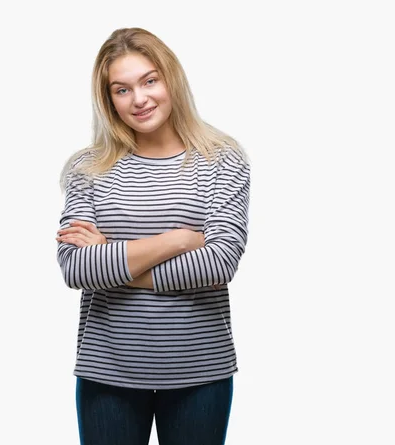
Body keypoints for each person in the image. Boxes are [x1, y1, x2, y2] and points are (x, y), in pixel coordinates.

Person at [56, 27, 251, 445]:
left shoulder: (222, 160)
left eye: (149, 80)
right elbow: (75, 268)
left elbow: (219, 262)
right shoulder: (87, 168)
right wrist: (179, 239)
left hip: (201, 369)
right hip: (108, 370)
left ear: (170, 80)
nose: (139, 99)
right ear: (109, 100)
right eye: (121, 90)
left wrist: (109, 257)